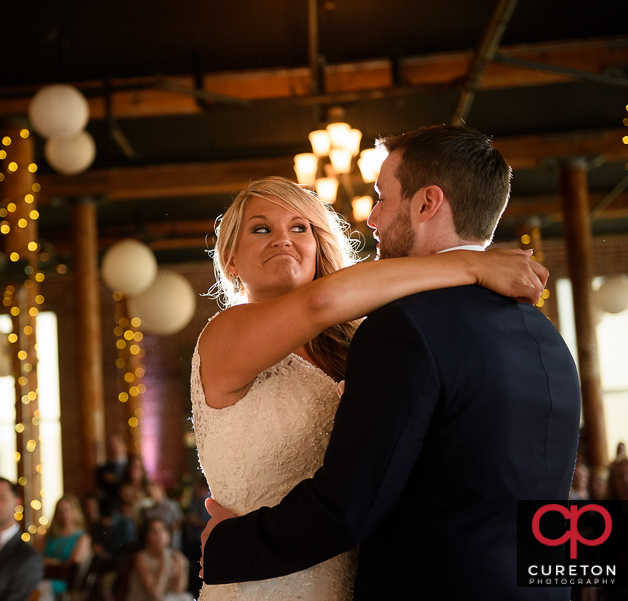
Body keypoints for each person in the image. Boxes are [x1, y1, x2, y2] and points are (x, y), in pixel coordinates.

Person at [199, 126, 581, 601]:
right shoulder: (545, 334)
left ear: (426, 204)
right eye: (263, 228)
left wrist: (228, 545)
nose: (373, 216)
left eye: (382, 196)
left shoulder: (402, 328)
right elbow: (554, 501)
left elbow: (350, 507)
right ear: (230, 257)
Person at [35, 494, 91, 598]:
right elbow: (37, 556)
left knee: (41, 586)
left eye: (67, 510)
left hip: (65, 581)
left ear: (74, 511)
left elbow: (74, 564)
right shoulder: (49, 535)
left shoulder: (82, 537)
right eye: (60, 511)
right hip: (44, 576)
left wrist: (51, 562)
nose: (63, 514)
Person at [124, 519, 191, 601]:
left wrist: (182, 567)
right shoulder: (141, 558)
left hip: (164, 598)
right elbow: (155, 593)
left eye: (163, 530)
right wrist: (165, 562)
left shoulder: (173, 556)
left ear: (168, 536)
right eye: (153, 531)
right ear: (146, 536)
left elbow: (178, 590)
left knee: (186, 598)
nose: (159, 535)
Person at [96, 436, 129, 514]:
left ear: (123, 446)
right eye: (111, 446)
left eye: (116, 445)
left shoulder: (131, 466)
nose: (114, 449)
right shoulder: (102, 470)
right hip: (112, 507)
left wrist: (115, 479)